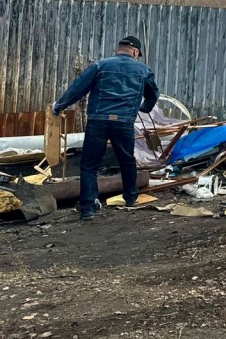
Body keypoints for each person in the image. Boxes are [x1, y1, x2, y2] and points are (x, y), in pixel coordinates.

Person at [51, 36, 159, 220]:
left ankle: (87, 208)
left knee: (89, 165)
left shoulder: (100, 65)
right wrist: (144, 108)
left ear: (118, 49)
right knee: (127, 161)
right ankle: (131, 198)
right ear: (135, 52)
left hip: (98, 121)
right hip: (124, 122)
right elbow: (153, 95)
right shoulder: (144, 70)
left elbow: (78, 88)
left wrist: (59, 106)